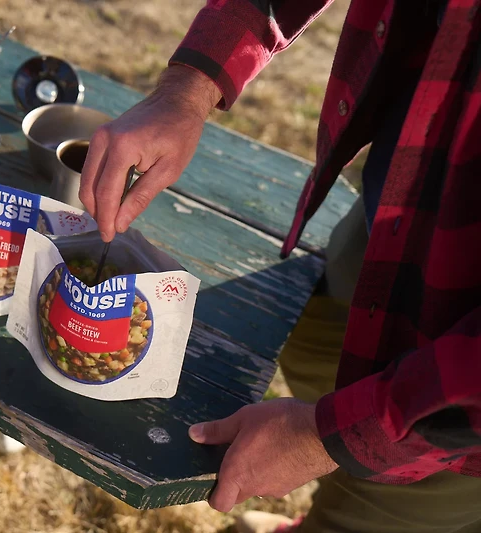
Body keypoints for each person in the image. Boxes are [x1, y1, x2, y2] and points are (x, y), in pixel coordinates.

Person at [78, 0, 481, 531]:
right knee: (311, 335)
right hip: (392, 233)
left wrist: (326, 437)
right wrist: (188, 89)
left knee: (374, 512)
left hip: (459, 404)